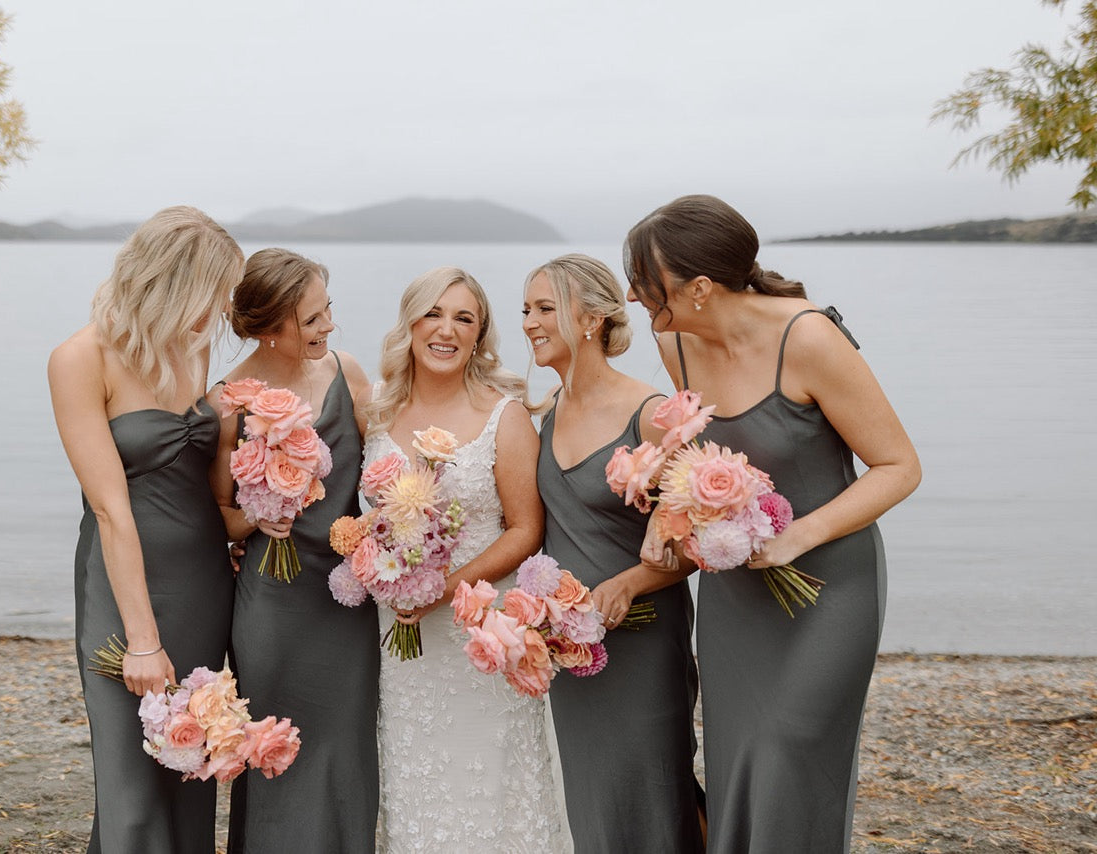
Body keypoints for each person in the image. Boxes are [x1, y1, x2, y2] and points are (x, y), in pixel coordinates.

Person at [625, 195, 922, 853]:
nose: (635, 295)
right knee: (738, 759)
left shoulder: (809, 338)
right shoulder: (675, 338)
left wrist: (796, 536)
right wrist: (670, 507)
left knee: (789, 746)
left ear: (700, 288)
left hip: (829, 586)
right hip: (738, 591)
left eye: (649, 284)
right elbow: (697, 448)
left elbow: (899, 467)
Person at [47, 206, 245, 853]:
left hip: (202, 585)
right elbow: (110, 509)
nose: (218, 312)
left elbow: (209, 479)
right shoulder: (80, 359)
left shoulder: (192, 346)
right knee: (131, 786)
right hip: (120, 592)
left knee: (189, 771)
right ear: (171, 282)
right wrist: (140, 639)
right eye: (213, 293)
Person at [363, 267, 569, 852]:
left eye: (464, 318)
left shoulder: (504, 415)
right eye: (433, 314)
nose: (446, 330)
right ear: (410, 324)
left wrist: (444, 586)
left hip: (481, 630)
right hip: (400, 638)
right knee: (415, 778)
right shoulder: (376, 409)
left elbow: (526, 528)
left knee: (495, 780)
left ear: (479, 334)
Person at [523, 253, 705, 853]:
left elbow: (703, 539)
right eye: (526, 309)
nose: (529, 322)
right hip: (572, 648)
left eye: (546, 308)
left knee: (655, 790)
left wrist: (629, 584)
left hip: (644, 638)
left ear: (592, 320)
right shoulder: (545, 413)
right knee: (592, 797)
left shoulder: (652, 415)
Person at [206, 249, 378, 854]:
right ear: (270, 327)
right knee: (275, 746)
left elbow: (383, 467)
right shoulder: (228, 401)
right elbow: (219, 516)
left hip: (346, 595)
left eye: (327, 309)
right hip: (273, 604)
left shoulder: (347, 372)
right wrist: (257, 518)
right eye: (310, 318)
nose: (327, 325)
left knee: (345, 745)